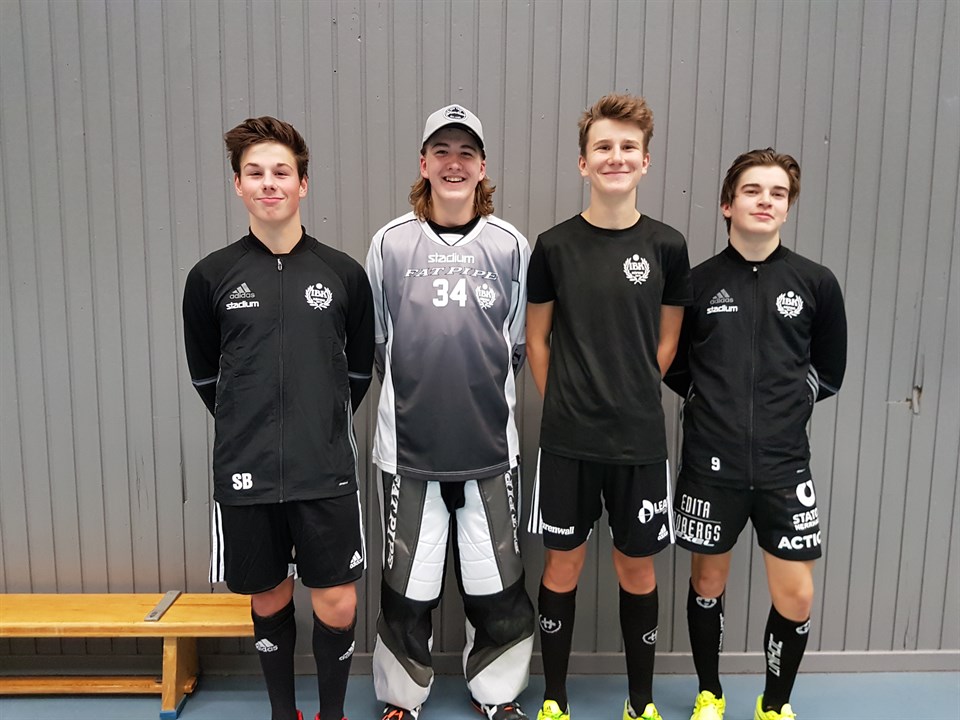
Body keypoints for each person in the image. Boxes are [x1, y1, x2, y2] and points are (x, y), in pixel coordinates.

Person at [182, 116, 374, 720]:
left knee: (337, 601)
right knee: (268, 598)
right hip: (249, 470)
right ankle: (283, 714)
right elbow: (208, 378)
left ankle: (332, 714)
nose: (269, 183)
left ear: (302, 184)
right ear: (238, 184)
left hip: (325, 469)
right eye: (256, 173)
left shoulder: (343, 273)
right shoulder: (210, 276)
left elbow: (358, 374)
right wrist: (254, 426)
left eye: (281, 172)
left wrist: (314, 424)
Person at [664, 148, 847, 720]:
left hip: (784, 466)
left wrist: (785, 409)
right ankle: (710, 693)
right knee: (707, 583)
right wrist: (708, 402)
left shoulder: (816, 282)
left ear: (787, 208)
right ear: (727, 204)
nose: (765, 200)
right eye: (752, 190)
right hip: (710, 465)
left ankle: (774, 704)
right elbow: (674, 365)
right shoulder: (696, 283)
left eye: (777, 193)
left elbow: (829, 370)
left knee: (797, 595)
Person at [526, 93, 693, 720]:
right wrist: (568, 400)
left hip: (639, 442)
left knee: (637, 570)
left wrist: (630, 391)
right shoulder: (554, 246)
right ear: (583, 162)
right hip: (568, 441)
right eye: (603, 146)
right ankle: (555, 698)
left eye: (628, 147)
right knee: (561, 567)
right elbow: (537, 340)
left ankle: (640, 703)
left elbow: (668, 341)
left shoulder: (668, 245)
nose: (615, 157)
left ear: (645, 161)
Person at [365, 104, 535, 720]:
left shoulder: (510, 245)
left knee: (497, 583)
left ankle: (497, 693)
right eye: (442, 151)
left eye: (466, 152)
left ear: (483, 166)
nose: (454, 163)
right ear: (423, 162)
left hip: (489, 450)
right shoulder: (389, 243)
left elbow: (514, 346)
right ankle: (402, 697)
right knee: (408, 586)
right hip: (408, 451)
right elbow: (379, 344)